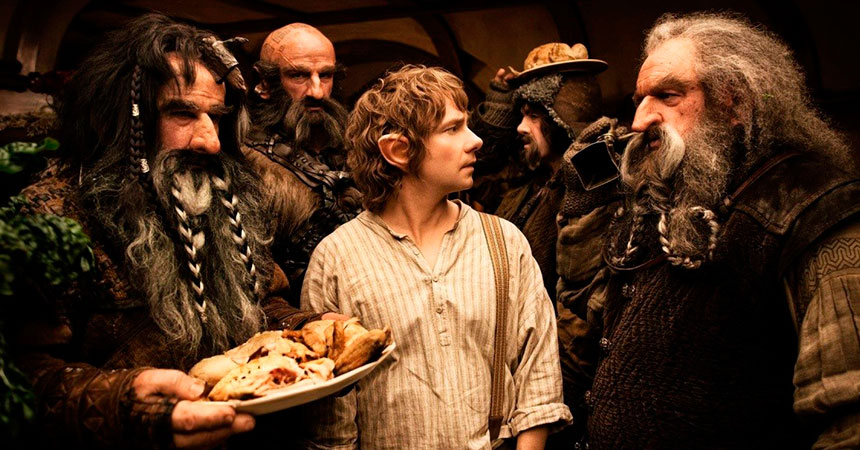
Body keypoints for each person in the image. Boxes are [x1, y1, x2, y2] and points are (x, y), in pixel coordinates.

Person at [10, 14, 322, 448]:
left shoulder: (225, 199)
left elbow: (261, 301)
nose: (209, 141)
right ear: (120, 119)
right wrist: (126, 403)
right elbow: (20, 372)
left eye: (216, 117)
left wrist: (312, 330)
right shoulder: (51, 218)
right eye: (182, 113)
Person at [575, 12, 860, 449]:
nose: (639, 121)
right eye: (639, 99)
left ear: (735, 103)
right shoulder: (666, 201)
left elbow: (849, 418)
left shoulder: (812, 208)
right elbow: (592, 326)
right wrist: (583, 209)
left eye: (667, 95)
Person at [301, 65, 572, 449]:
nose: (476, 140)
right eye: (453, 128)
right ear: (399, 150)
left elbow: (538, 378)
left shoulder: (503, 242)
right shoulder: (336, 260)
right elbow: (332, 426)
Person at [482, 43, 609, 304]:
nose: (521, 127)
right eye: (521, 115)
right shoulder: (532, 182)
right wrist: (498, 104)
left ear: (560, 118)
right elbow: (482, 171)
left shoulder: (592, 187)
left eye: (533, 116)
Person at [244, 23, 361, 302]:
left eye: (326, 75)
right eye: (298, 75)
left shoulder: (358, 149)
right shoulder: (246, 163)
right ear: (264, 82)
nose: (317, 92)